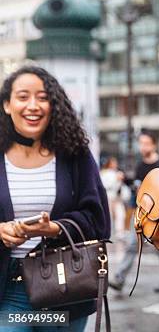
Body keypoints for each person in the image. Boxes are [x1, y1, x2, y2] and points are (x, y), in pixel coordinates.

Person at [0, 66, 111, 331]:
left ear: (53, 105)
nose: (33, 105)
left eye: (42, 97)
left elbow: (98, 218)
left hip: (63, 286)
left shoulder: (74, 154)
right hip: (9, 291)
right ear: (7, 105)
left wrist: (55, 228)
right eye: (23, 96)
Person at [109, 131, 159, 293]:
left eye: (146, 143)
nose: (143, 147)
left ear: (153, 144)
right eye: (141, 143)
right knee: (132, 244)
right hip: (141, 212)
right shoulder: (140, 166)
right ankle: (119, 278)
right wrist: (125, 180)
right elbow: (138, 188)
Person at [100, 156, 126, 237]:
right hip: (108, 197)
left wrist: (120, 180)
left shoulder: (117, 173)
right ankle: (108, 232)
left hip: (117, 198)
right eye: (113, 163)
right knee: (109, 215)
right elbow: (104, 185)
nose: (115, 164)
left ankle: (120, 232)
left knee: (121, 214)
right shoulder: (104, 173)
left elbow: (119, 187)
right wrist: (115, 179)